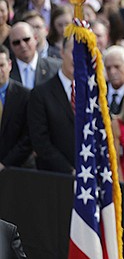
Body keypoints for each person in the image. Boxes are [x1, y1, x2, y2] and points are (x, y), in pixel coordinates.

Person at [27, 37, 74, 173]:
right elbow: (40, 141)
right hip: (55, 178)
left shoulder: (93, 93)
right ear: (62, 52)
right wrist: (69, 170)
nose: (79, 58)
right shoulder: (41, 94)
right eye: (74, 53)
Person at [0, 45, 31, 170]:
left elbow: (28, 137)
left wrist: (5, 164)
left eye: (1, 66)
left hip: (17, 170)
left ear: (10, 65)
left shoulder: (25, 96)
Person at [8, 22, 60, 89]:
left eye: (26, 39)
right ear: (11, 45)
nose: (22, 45)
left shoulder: (55, 68)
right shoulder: (6, 71)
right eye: (16, 42)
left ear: (35, 38)